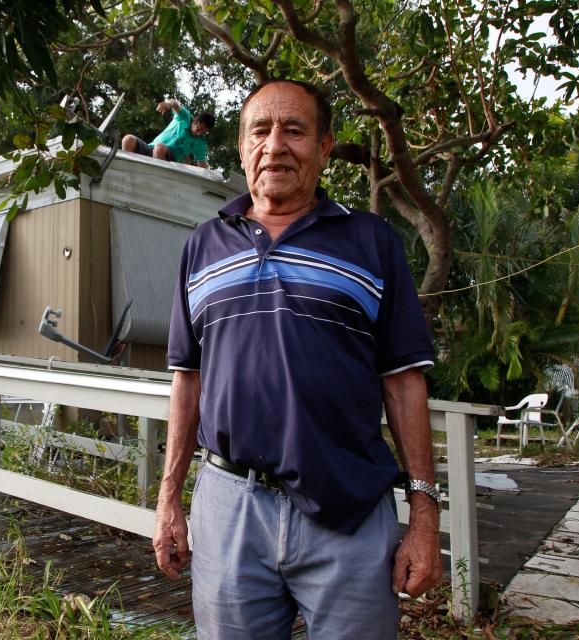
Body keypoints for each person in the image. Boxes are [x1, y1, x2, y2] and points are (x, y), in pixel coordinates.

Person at [153, 78, 443, 639]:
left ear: (326, 146)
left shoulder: (371, 241)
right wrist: (169, 500)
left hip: (349, 512)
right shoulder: (203, 246)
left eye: (295, 130)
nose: (275, 145)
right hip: (231, 508)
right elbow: (187, 379)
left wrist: (424, 516)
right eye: (260, 130)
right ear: (241, 148)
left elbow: (404, 382)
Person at [122, 99, 215, 168]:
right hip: (150, 149)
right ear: (195, 121)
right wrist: (168, 104)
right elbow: (174, 103)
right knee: (128, 139)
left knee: (159, 148)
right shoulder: (185, 117)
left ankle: (156, 178)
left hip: (169, 161)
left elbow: (202, 165)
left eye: (203, 132)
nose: (199, 134)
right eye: (199, 129)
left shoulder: (201, 143)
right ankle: (125, 169)